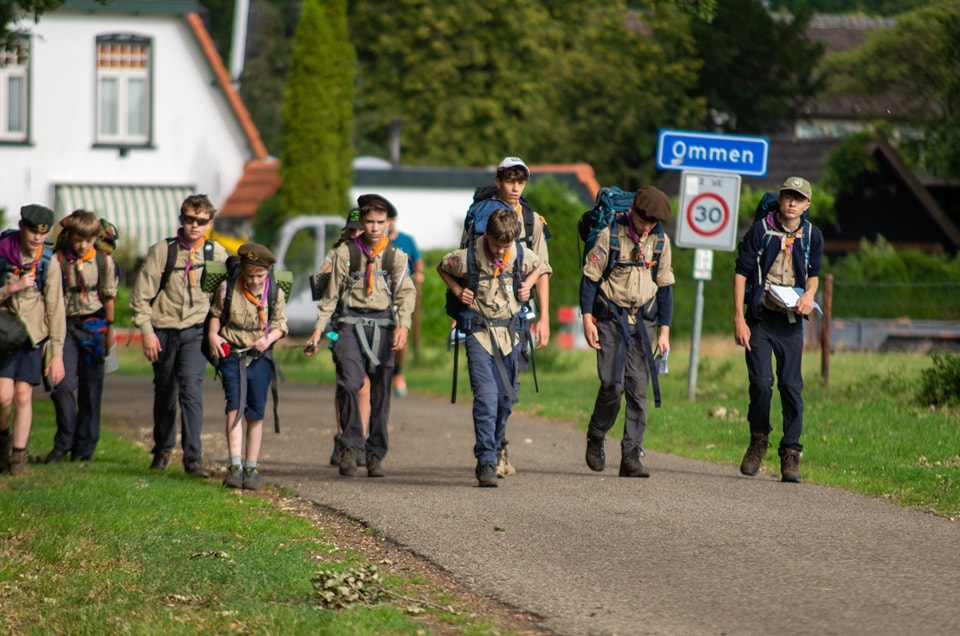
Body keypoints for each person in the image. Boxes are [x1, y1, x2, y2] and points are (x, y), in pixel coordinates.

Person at [304, 194, 415, 478]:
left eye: (381, 222)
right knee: (350, 383)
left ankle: (375, 452)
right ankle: (350, 446)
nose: (375, 227)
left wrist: (403, 326)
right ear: (362, 222)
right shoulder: (345, 254)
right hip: (350, 325)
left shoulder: (396, 256)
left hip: (384, 326)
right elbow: (329, 297)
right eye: (370, 222)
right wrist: (317, 332)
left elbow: (406, 294)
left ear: (388, 223)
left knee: (380, 393)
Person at [438, 207, 541, 487]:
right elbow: (442, 266)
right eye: (496, 245)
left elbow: (543, 267)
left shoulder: (519, 254)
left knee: (507, 400)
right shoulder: (468, 257)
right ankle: (485, 461)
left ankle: (495, 447)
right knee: (486, 398)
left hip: (511, 335)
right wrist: (458, 291)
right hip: (479, 334)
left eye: (505, 246)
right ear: (488, 237)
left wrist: (528, 286)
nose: (501, 251)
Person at [129, 194, 228, 476]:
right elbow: (140, 298)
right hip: (163, 330)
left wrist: (215, 330)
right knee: (165, 392)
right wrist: (147, 333)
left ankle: (193, 458)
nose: (194, 225)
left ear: (209, 223)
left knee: (191, 391)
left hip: (196, 332)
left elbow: (223, 297)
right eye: (189, 219)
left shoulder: (216, 254)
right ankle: (162, 449)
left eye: (200, 221)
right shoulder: (163, 251)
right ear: (181, 219)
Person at [580, 187, 675, 478]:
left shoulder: (660, 241)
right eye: (644, 220)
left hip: (644, 322)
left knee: (637, 390)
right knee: (613, 386)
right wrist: (587, 319)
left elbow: (666, 287)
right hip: (610, 319)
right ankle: (597, 435)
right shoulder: (609, 235)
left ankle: (631, 455)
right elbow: (589, 280)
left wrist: (664, 332)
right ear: (634, 210)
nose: (646, 227)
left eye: (652, 222)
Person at [734, 176, 823, 483]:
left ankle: (791, 453)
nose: (791, 202)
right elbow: (741, 273)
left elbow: (814, 275)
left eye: (798, 198)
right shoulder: (761, 230)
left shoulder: (812, 235)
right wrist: (739, 319)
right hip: (760, 319)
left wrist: (810, 296)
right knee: (761, 383)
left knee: (791, 387)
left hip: (790, 322)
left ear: (806, 205)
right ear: (780, 199)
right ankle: (758, 440)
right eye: (787, 196)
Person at [486, 156, 553, 477]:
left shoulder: (531, 220)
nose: (515, 187)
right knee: (489, 387)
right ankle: (491, 449)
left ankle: (498, 441)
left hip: (518, 316)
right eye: (510, 180)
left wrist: (544, 317)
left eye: (521, 181)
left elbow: (542, 268)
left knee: (510, 387)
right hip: (483, 314)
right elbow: (463, 264)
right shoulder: (481, 216)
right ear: (498, 180)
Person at [207, 243, 288, 490]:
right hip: (232, 354)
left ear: (268, 272)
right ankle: (235, 466)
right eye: (249, 275)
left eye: (259, 276)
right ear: (241, 270)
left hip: (260, 358)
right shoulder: (227, 288)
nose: (254, 281)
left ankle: (251, 467)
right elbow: (215, 316)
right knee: (234, 406)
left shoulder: (275, 292)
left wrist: (268, 339)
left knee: (256, 412)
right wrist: (213, 335)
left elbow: (281, 325)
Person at [46, 210, 119, 464]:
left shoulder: (104, 262)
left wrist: (110, 331)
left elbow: (109, 298)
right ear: (70, 236)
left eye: (88, 240)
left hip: (95, 328)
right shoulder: (57, 260)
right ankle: (64, 442)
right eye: (78, 239)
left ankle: (84, 449)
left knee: (91, 388)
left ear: (95, 238)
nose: (83, 245)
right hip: (64, 328)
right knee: (61, 385)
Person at [0, 204, 66, 476]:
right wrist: (13, 287)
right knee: (3, 397)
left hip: (32, 336)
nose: (38, 238)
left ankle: (18, 457)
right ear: (22, 227)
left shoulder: (48, 262)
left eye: (43, 234)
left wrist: (57, 352)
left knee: (23, 394)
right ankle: (2, 441)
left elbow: (55, 306)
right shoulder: (2, 253)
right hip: (5, 334)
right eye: (33, 232)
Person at [317, 208, 370, 466]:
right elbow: (320, 287)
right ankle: (343, 437)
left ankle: (360, 439)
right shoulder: (336, 252)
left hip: (371, 324)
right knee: (346, 383)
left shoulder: (376, 250)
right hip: (342, 324)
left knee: (365, 384)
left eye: (361, 228)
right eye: (353, 229)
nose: (357, 233)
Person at [386, 204, 424, 398]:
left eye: (390, 219)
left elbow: (418, 262)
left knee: (400, 335)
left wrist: (418, 274)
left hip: (401, 293)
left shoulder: (406, 240)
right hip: (379, 294)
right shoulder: (375, 242)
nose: (387, 223)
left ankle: (398, 373)